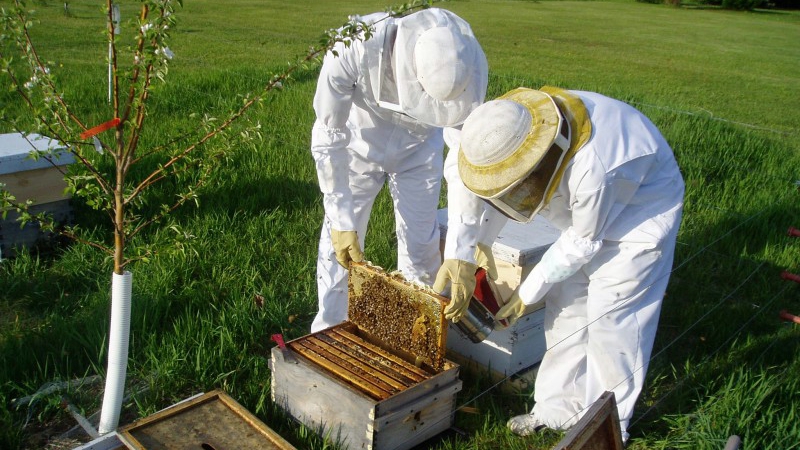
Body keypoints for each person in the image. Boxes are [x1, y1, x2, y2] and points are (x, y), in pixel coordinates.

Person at [440, 86, 684, 442]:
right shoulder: (503, 126)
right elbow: (476, 181)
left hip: (639, 217)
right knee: (565, 313)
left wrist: (528, 291)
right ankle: (554, 411)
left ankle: (607, 427)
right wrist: (471, 247)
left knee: (613, 323)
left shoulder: (595, 168)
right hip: (585, 216)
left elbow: (583, 240)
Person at [309, 8, 488, 333]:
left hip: (420, 150)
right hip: (359, 142)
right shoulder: (355, 43)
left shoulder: (465, 68)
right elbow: (328, 132)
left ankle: (418, 335)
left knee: (422, 248)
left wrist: (462, 250)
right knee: (342, 249)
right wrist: (339, 216)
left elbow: (465, 161)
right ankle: (328, 331)